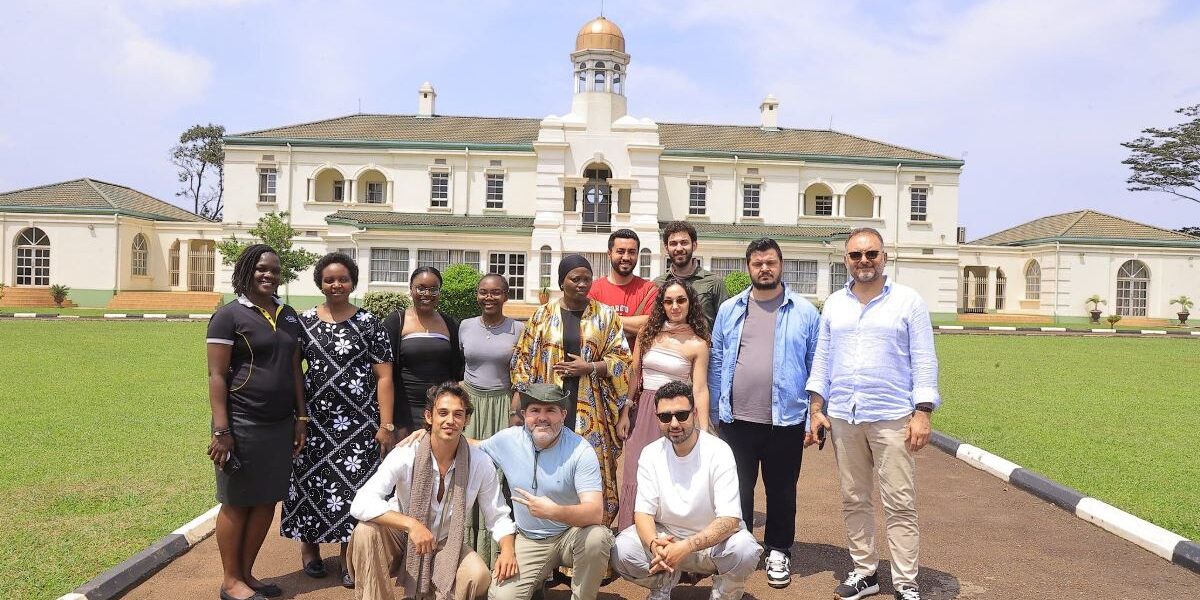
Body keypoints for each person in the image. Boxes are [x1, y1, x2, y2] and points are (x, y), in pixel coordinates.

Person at [805, 227, 940, 600]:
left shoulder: (908, 301)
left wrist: (923, 411)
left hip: (892, 416)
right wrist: (816, 408)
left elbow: (924, 359)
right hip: (846, 417)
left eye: (871, 254)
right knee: (854, 497)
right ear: (846, 259)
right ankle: (865, 572)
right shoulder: (835, 303)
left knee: (899, 501)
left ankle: (906, 582)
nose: (863, 261)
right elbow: (823, 359)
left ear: (885, 256)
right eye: (856, 255)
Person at [708, 237, 819, 589]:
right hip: (736, 419)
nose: (764, 269)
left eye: (770, 262)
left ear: (781, 265)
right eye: (757, 264)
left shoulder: (805, 311)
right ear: (748, 268)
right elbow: (718, 361)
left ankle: (778, 550)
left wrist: (814, 412)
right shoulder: (730, 309)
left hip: (785, 419)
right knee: (737, 488)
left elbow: (816, 365)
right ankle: (738, 547)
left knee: (782, 488)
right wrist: (714, 410)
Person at [282, 252, 395, 587]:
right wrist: (298, 416)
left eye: (343, 279)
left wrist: (385, 425)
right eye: (329, 279)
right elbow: (292, 373)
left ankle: (349, 558)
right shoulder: (303, 322)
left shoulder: (368, 322)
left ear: (352, 282)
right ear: (320, 282)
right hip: (314, 422)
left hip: (359, 424)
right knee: (310, 486)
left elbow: (384, 377)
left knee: (354, 491)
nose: (336, 285)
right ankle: (310, 550)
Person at [347, 383, 518, 600]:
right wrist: (411, 524)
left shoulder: (479, 463)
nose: (450, 421)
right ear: (429, 416)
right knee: (366, 531)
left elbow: (498, 515)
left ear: (466, 420)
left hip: (445, 542)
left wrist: (508, 549)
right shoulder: (406, 454)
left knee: (478, 576)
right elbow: (361, 503)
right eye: (443, 413)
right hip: (401, 537)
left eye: (458, 414)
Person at [205, 244, 306, 600]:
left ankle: (246, 575)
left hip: (280, 424)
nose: (269, 275)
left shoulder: (289, 315)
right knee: (236, 501)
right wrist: (222, 430)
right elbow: (217, 375)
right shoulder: (228, 316)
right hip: (241, 424)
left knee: (266, 501)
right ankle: (230, 581)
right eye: (262, 269)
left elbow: (295, 369)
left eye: (275, 271)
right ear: (247, 270)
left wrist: (301, 417)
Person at [611, 381, 761, 600]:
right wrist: (654, 544)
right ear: (656, 417)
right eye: (665, 416)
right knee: (621, 549)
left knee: (745, 549)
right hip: (666, 540)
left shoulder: (719, 451)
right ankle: (663, 582)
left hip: (711, 544)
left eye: (681, 415)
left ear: (695, 413)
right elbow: (643, 513)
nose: (674, 423)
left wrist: (686, 546)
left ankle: (726, 591)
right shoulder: (650, 454)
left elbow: (730, 520)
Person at [511, 254, 630, 525]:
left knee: (589, 472)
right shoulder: (542, 315)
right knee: (549, 471)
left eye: (587, 279)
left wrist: (590, 367)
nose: (582, 284)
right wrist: (519, 407)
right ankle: (549, 542)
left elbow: (623, 359)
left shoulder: (605, 315)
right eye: (575, 279)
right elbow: (522, 360)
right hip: (548, 407)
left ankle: (590, 539)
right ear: (561, 282)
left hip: (592, 411)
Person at [479, 383, 615, 600]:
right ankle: (535, 583)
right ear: (524, 415)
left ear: (563, 414)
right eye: (535, 410)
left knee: (597, 538)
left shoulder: (580, 450)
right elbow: (469, 446)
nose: (542, 417)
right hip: (529, 538)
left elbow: (595, 513)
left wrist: (553, 511)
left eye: (550, 410)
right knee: (503, 597)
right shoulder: (508, 440)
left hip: (571, 535)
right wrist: (427, 435)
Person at [615, 277, 711, 532]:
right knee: (635, 472)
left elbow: (700, 388)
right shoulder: (648, 332)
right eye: (668, 301)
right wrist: (625, 412)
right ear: (662, 305)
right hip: (644, 410)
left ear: (690, 303)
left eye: (681, 300)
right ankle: (632, 539)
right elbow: (634, 373)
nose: (675, 306)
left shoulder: (698, 343)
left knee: (673, 476)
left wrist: (704, 429)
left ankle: (673, 540)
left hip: (675, 414)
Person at [459, 273, 525, 565]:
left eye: (496, 292)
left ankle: (498, 550)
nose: (489, 298)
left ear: (506, 296)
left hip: (502, 405)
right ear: (477, 295)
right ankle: (465, 547)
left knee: (499, 475)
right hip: (471, 404)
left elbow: (522, 375)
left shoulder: (518, 329)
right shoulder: (465, 326)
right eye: (484, 292)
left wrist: (514, 413)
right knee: (468, 469)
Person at [385, 266, 465, 436]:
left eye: (433, 289)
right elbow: (385, 373)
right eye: (420, 288)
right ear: (411, 289)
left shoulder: (450, 324)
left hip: (441, 412)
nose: (426, 294)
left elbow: (458, 372)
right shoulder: (396, 321)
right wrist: (387, 423)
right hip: (404, 413)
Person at [588, 228, 658, 347]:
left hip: (637, 363)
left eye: (631, 252)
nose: (626, 257)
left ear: (637, 255)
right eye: (620, 251)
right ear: (609, 254)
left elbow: (651, 325)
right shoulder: (593, 289)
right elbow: (590, 327)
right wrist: (632, 325)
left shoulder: (649, 290)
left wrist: (606, 319)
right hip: (602, 363)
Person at [653, 221, 727, 330]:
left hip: (705, 346)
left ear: (694, 245)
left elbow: (725, 323)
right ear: (666, 247)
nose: (679, 248)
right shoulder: (658, 284)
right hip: (668, 345)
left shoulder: (714, 282)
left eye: (684, 243)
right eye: (673, 243)